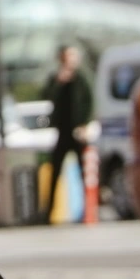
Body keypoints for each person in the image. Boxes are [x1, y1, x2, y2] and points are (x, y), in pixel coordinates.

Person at [43, 43, 94, 214]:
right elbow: (47, 95)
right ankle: (48, 210)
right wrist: (59, 82)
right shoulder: (57, 78)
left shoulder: (81, 79)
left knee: (84, 171)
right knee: (55, 169)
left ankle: (89, 210)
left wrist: (85, 123)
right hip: (63, 131)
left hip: (78, 131)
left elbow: (89, 101)